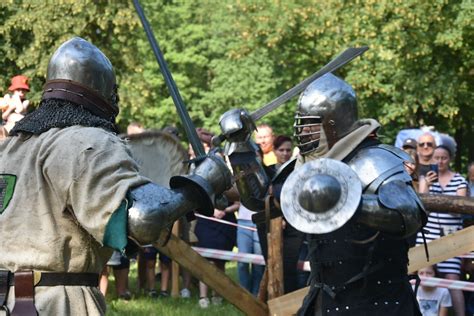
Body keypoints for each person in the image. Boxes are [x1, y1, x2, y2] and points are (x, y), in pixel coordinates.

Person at [0, 37, 231, 315]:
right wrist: (201, 183)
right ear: (105, 94)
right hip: (54, 304)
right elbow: (142, 218)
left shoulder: (9, 148)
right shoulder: (87, 141)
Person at [219, 73, 426, 315]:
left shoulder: (374, 160)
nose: (303, 132)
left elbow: (409, 214)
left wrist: (344, 202)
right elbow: (260, 199)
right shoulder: (308, 164)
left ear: (332, 125)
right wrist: (241, 146)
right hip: (325, 299)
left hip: (378, 302)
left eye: (309, 124)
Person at [417, 145, 468, 316]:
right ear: (432, 160)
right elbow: (421, 207)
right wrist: (427, 185)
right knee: (422, 277)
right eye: (436, 158)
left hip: (452, 238)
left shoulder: (460, 180)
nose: (440, 161)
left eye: (444, 158)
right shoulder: (426, 179)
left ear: (450, 159)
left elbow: (459, 208)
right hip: (428, 236)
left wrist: (440, 204)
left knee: (452, 279)